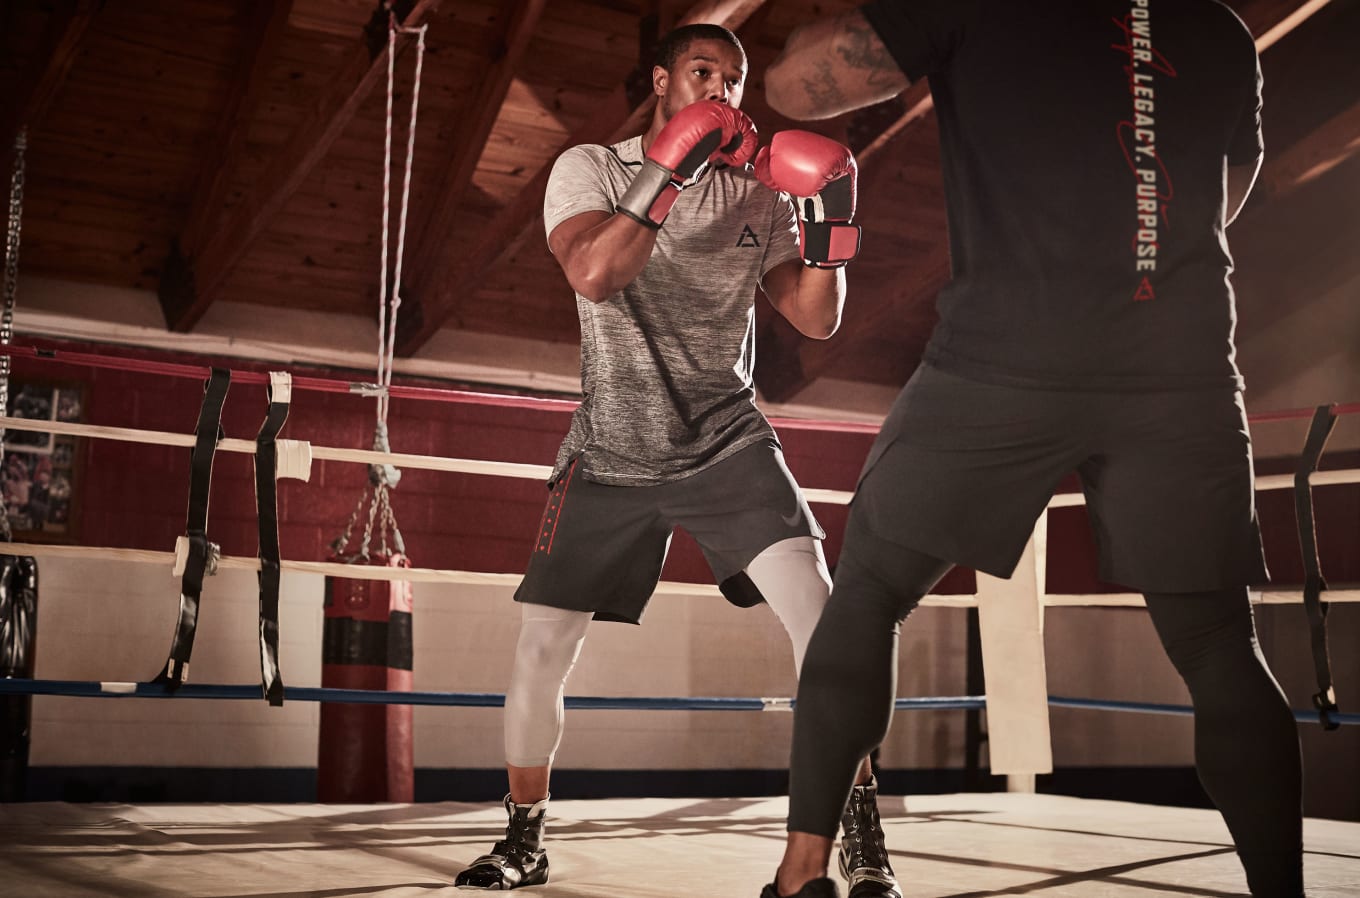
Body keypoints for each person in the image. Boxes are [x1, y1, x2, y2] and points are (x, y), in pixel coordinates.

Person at [757, 3, 1306, 898]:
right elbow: (1223, 190)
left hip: (1005, 355)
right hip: (1180, 359)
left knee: (871, 593)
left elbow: (792, 88)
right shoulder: (1220, 26)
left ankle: (802, 875)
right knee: (1217, 643)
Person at [453, 24, 896, 894]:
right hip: (611, 446)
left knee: (825, 623)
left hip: (727, 439)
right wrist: (667, 169)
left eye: (734, 81)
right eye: (704, 73)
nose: (723, 93)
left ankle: (862, 835)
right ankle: (523, 840)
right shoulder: (592, 169)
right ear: (662, 80)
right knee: (542, 646)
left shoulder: (756, 194)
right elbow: (593, 273)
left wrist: (829, 223)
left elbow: (817, 320)